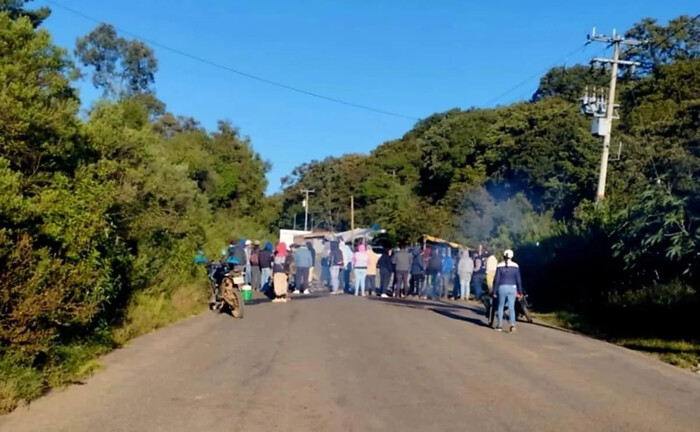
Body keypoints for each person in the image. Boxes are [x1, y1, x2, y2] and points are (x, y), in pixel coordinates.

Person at [493, 249, 523, 332]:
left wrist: (494, 291)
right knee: (511, 307)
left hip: (502, 287)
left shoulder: (499, 266)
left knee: (500, 306)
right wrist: (520, 291)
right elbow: (518, 280)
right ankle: (512, 325)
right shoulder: (516, 266)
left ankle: (499, 326)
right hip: (513, 288)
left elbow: (497, 280)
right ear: (512, 256)